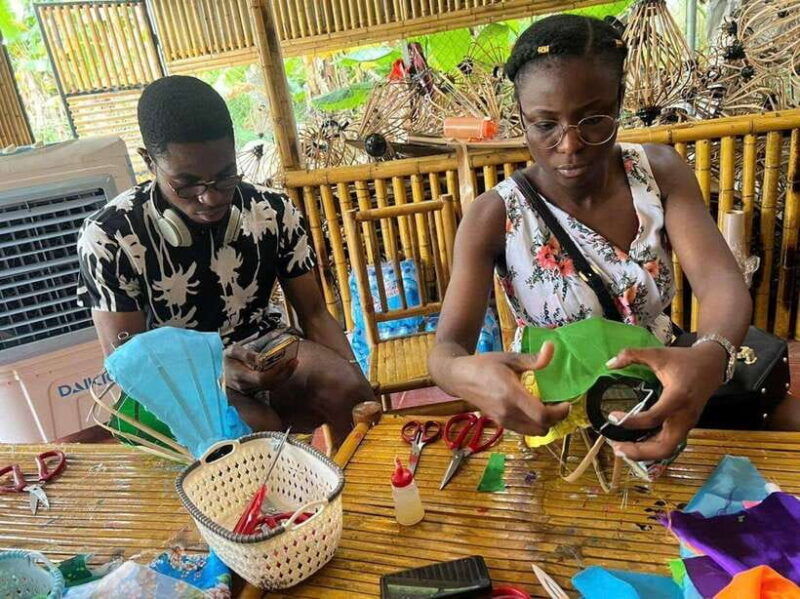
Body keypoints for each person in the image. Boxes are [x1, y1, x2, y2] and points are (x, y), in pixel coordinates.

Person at [428, 14, 766, 461]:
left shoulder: (657, 173)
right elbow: (446, 350)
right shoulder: (494, 215)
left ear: (619, 102)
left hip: (667, 396)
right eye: (545, 125)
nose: (570, 145)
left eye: (592, 120)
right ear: (521, 119)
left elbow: (721, 281)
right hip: (558, 421)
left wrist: (710, 355)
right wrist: (461, 375)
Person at [76, 75, 373, 442]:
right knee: (257, 433)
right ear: (149, 163)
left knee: (348, 391)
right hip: (176, 381)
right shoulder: (110, 235)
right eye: (186, 184)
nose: (211, 198)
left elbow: (313, 314)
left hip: (263, 349)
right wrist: (217, 373)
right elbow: (134, 364)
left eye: (224, 176)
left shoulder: (272, 211)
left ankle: (356, 493)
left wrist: (358, 380)